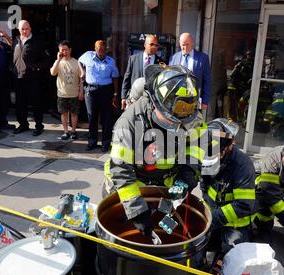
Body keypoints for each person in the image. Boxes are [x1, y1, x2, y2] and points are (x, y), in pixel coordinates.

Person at [102, 64, 205, 241]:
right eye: (171, 121)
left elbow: (197, 147)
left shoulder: (191, 116)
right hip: (128, 188)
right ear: (154, 103)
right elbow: (120, 170)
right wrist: (136, 210)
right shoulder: (129, 123)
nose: (176, 127)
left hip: (167, 187)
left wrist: (188, 173)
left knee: (166, 229)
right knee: (122, 235)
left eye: (180, 123)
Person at [200, 118, 257, 254]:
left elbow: (244, 205)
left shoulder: (243, 166)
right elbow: (205, 186)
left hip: (236, 224)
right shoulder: (208, 153)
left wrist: (213, 217)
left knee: (233, 258)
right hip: (214, 216)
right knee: (201, 248)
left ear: (228, 146)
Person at [79, 40, 119, 152]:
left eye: (102, 50)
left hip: (106, 91)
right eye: (98, 49)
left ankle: (106, 143)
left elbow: (115, 78)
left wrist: (115, 94)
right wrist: (82, 71)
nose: (100, 52)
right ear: (94, 48)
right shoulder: (88, 55)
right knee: (92, 117)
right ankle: (92, 141)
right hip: (91, 90)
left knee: (106, 118)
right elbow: (79, 61)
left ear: (106, 49)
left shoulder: (111, 62)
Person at [12, 20, 48, 136]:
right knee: (20, 103)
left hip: (33, 79)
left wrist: (35, 67)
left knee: (36, 103)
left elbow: (46, 60)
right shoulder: (16, 41)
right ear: (18, 29)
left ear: (30, 28)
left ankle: (39, 126)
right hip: (18, 78)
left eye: (26, 28)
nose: (24, 31)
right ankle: (23, 124)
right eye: (22, 29)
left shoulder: (37, 42)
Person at [50, 40, 84, 140]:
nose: (64, 52)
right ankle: (65, 131)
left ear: (70, 50)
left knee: (74, 113)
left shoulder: (76, 62)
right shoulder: (58, 62)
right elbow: (52, 73)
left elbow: (81, 78)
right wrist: (58, 60)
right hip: (62, 93)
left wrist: (81, 92)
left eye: (66, 50)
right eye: (61, 50)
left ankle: (73, 131)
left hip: (74, 93)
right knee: (64, 114)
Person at [121, 34, 165, 110]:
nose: (154, 47)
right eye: (151, 44)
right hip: (134, 99)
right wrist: (123, 97)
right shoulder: (133, 59)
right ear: (145, 44)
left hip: (151, 101)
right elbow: (127, 79)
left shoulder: (161, 63)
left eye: (156, 45)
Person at [169, 33, 211, 110]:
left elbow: (207, 81)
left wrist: (205, 101)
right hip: (176, 99)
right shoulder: (174, 58)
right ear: (179, 43)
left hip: (194, 100)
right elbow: (170, 79)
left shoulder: (203, 58)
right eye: (182, 45)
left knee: (194, 121)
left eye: (187, 44)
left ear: (192, 43)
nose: (185, 47)